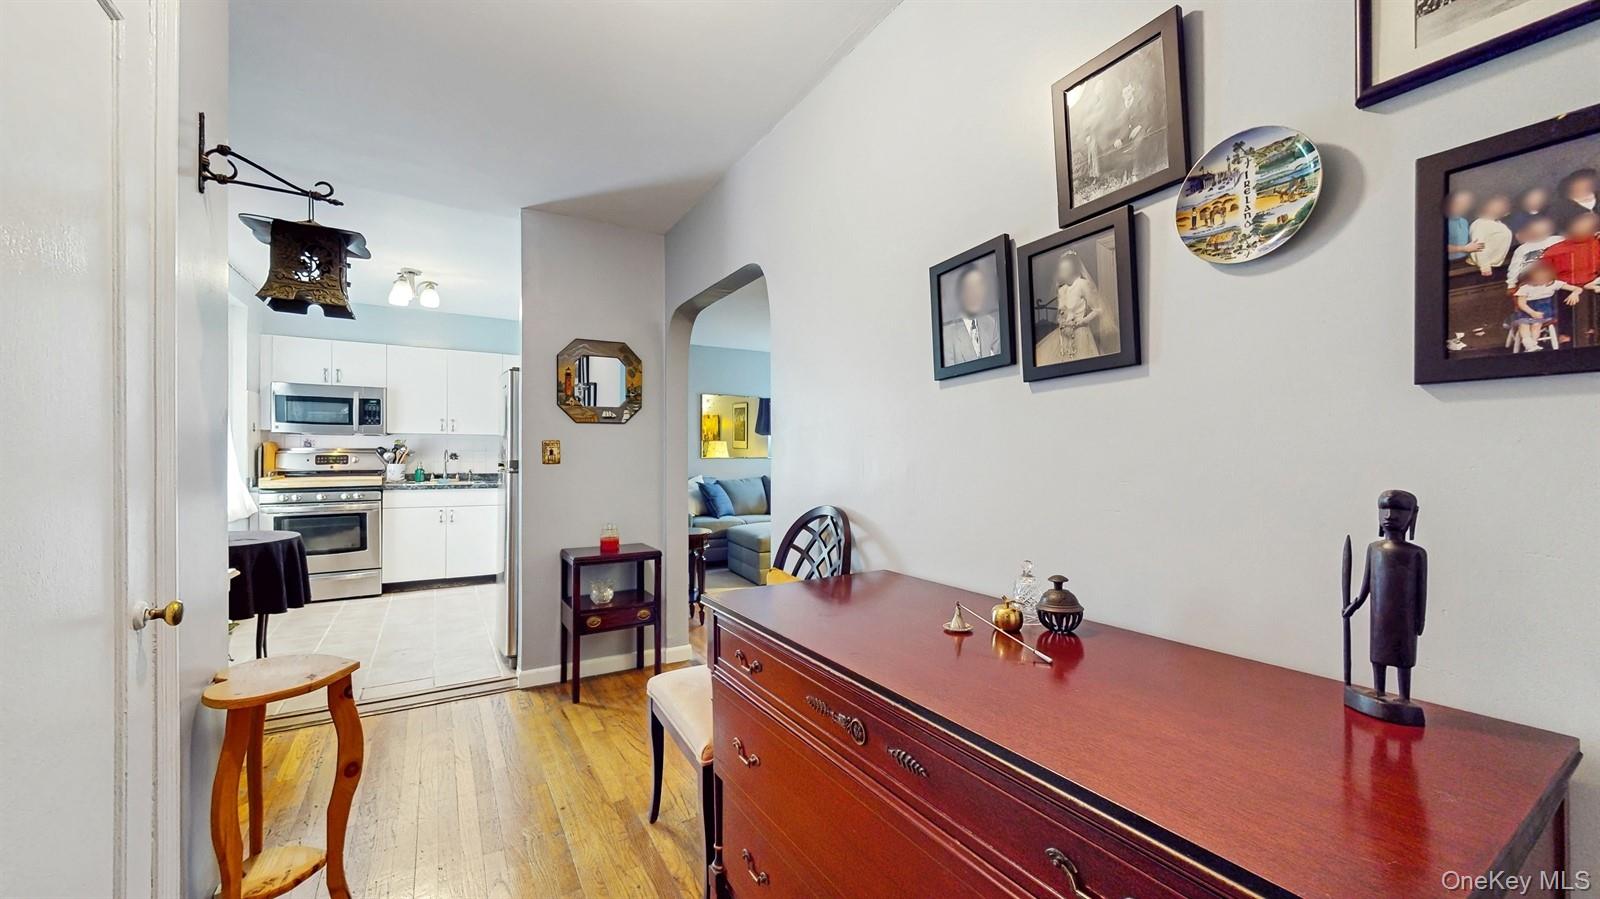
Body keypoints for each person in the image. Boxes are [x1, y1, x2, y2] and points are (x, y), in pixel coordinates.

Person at [1539, 212, 1600, 346]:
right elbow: (1542, 274)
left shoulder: (1596, 245)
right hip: (1564, 289)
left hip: (1592, 288)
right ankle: (1565, 334)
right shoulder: (1555, 249)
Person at [1507, 260, 1582, 352]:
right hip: (1527, 310)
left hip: (1543, 311)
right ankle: (1527, 342)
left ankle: (1533, 344)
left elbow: (1577, 288)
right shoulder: (1526, 288)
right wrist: (1532, 312)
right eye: (1537, 276)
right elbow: (1521, 304)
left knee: (1536, 324)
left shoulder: (1553, 284)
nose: (1540, 278)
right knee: (1523, 323)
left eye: (1543, 276)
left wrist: (1575, 293)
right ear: (1532, 276)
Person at [941, 263, 1000, 365]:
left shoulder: (990, 323)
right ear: (961, 293)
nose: (975, 294)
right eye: (970, 288)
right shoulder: (948, 334)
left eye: (978, 287)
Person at [1053, 252, 1102, 361]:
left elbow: (1098, 310)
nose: (1062, 272)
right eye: (1061, 269)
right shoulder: (1062, 289)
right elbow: (1061, 313)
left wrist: (1081, 322)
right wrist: (1061, 321)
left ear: (1072, 269)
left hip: (1080, 333)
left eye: (1066, 269)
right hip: (1064, 336)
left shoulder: (1082, 284)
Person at [1504, 217, 1562, 289]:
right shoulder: (1523, 248)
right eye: (1534, 230)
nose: (1538, 232)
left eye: (1542, 229)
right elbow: (1515, 267)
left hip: (1553, 275)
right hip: (1529, 278)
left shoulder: (1558, 240)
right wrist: (1511, 284)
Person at [1468, 195, 1512, 276]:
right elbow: (1478, 245)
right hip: (1482, 268)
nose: (1497, 208)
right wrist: (1485, 266)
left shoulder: (1499, 225)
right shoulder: (1480, 223)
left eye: (1502, 207)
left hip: (1496, 266)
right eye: (1494, 205)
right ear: (1486, 206)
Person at [1444, 191, 1482, 262]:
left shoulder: (1464, 221)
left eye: (1466, 204)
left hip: (1463, 260)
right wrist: (1463, 248)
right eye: (1458, 203)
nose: (1462, 206)